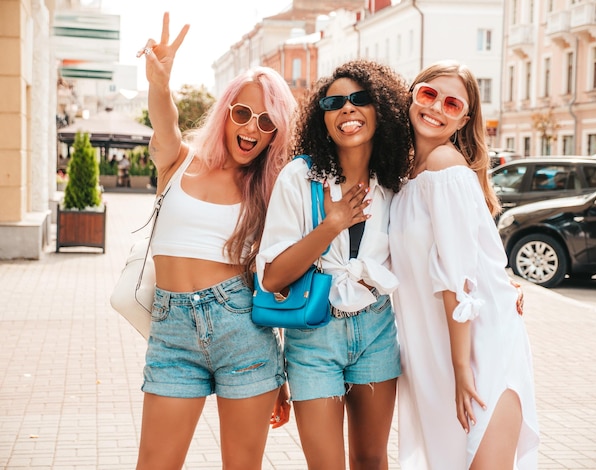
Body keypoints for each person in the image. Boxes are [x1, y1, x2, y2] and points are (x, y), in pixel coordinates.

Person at [135, 13, 296, 470]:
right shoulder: (179, 161)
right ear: (226, 112)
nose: (252, 128)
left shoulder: (270, 188)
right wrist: (161, 83)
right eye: (243, 113)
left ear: (276, 132)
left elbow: (271, 277)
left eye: (267, 122)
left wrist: (278, 371)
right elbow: (163, 123)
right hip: (172, 332)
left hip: (244, 332)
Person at [256, 59, 411, 469]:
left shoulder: (396, 183)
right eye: (334, 102)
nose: (347, 109)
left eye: (360, 99)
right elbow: (272, 277)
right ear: (321, 117)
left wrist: (499, 284)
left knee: (371, 459)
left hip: (377, 328)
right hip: (314, 334)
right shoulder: (300, 177)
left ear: (382, 110)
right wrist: (332, 224)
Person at [388, 60, 540, 469]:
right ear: (411, 95)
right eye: (429, 94)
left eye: (451, 103)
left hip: (477, 348)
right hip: (436, 346)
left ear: (463, 120)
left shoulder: (446, 169)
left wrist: (461, 370)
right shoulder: (405, 177)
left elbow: (459, 278)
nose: (437, 107)